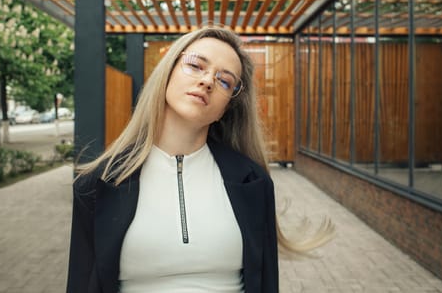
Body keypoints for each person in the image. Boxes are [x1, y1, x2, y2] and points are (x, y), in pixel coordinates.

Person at [66, 26, 333, 293]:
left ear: (226, 107)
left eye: (225, 81)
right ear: (168, 72)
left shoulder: (254, 182)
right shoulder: (98, 182)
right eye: (195, 65)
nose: (207, 81)